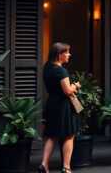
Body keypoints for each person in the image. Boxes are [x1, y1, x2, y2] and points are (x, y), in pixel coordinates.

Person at [39, 42, 81, 173]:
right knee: (69, 136)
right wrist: (76, 85)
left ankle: (44, 164)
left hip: (51, 104)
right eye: (67, 52)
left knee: (52, 135)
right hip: (63, 107)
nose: (69, 54)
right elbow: (68, 91)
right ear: (59, 55)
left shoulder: (47, 67)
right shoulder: (61, 71)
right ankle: (66, 167)